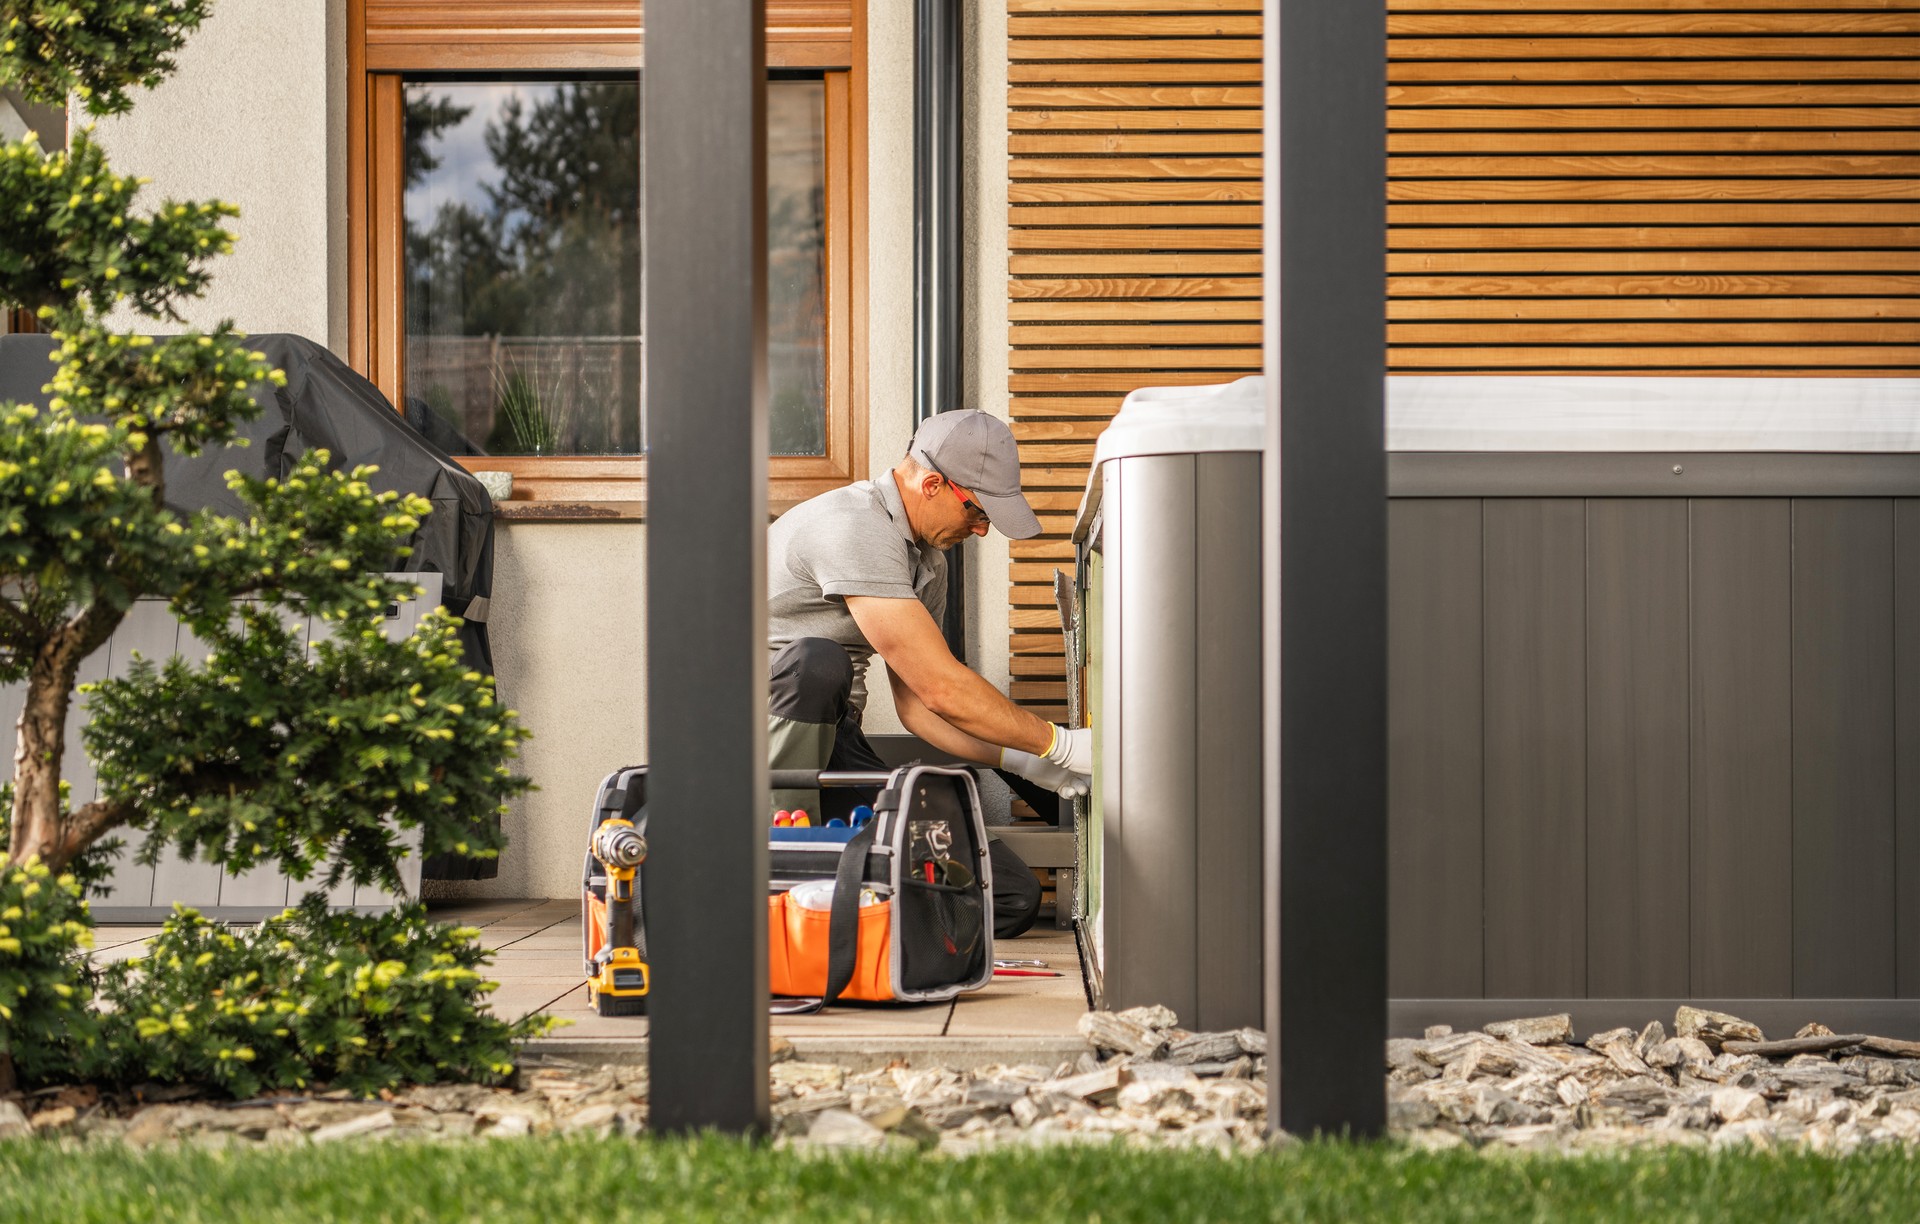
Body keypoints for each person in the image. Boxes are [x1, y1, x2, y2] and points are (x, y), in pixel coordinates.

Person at [767, 410, 1093, 939]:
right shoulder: (854, 526)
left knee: (1006, 895)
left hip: (830, 741)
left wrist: (1026, 762)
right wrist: (1058, 745)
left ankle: (844, 903)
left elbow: (921, 705)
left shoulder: (926, 564)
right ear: (932, 482)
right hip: (760, 736)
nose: (983, 529)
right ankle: (777, 867)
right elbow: (944, 686)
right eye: (978, 512)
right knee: (818, 662)